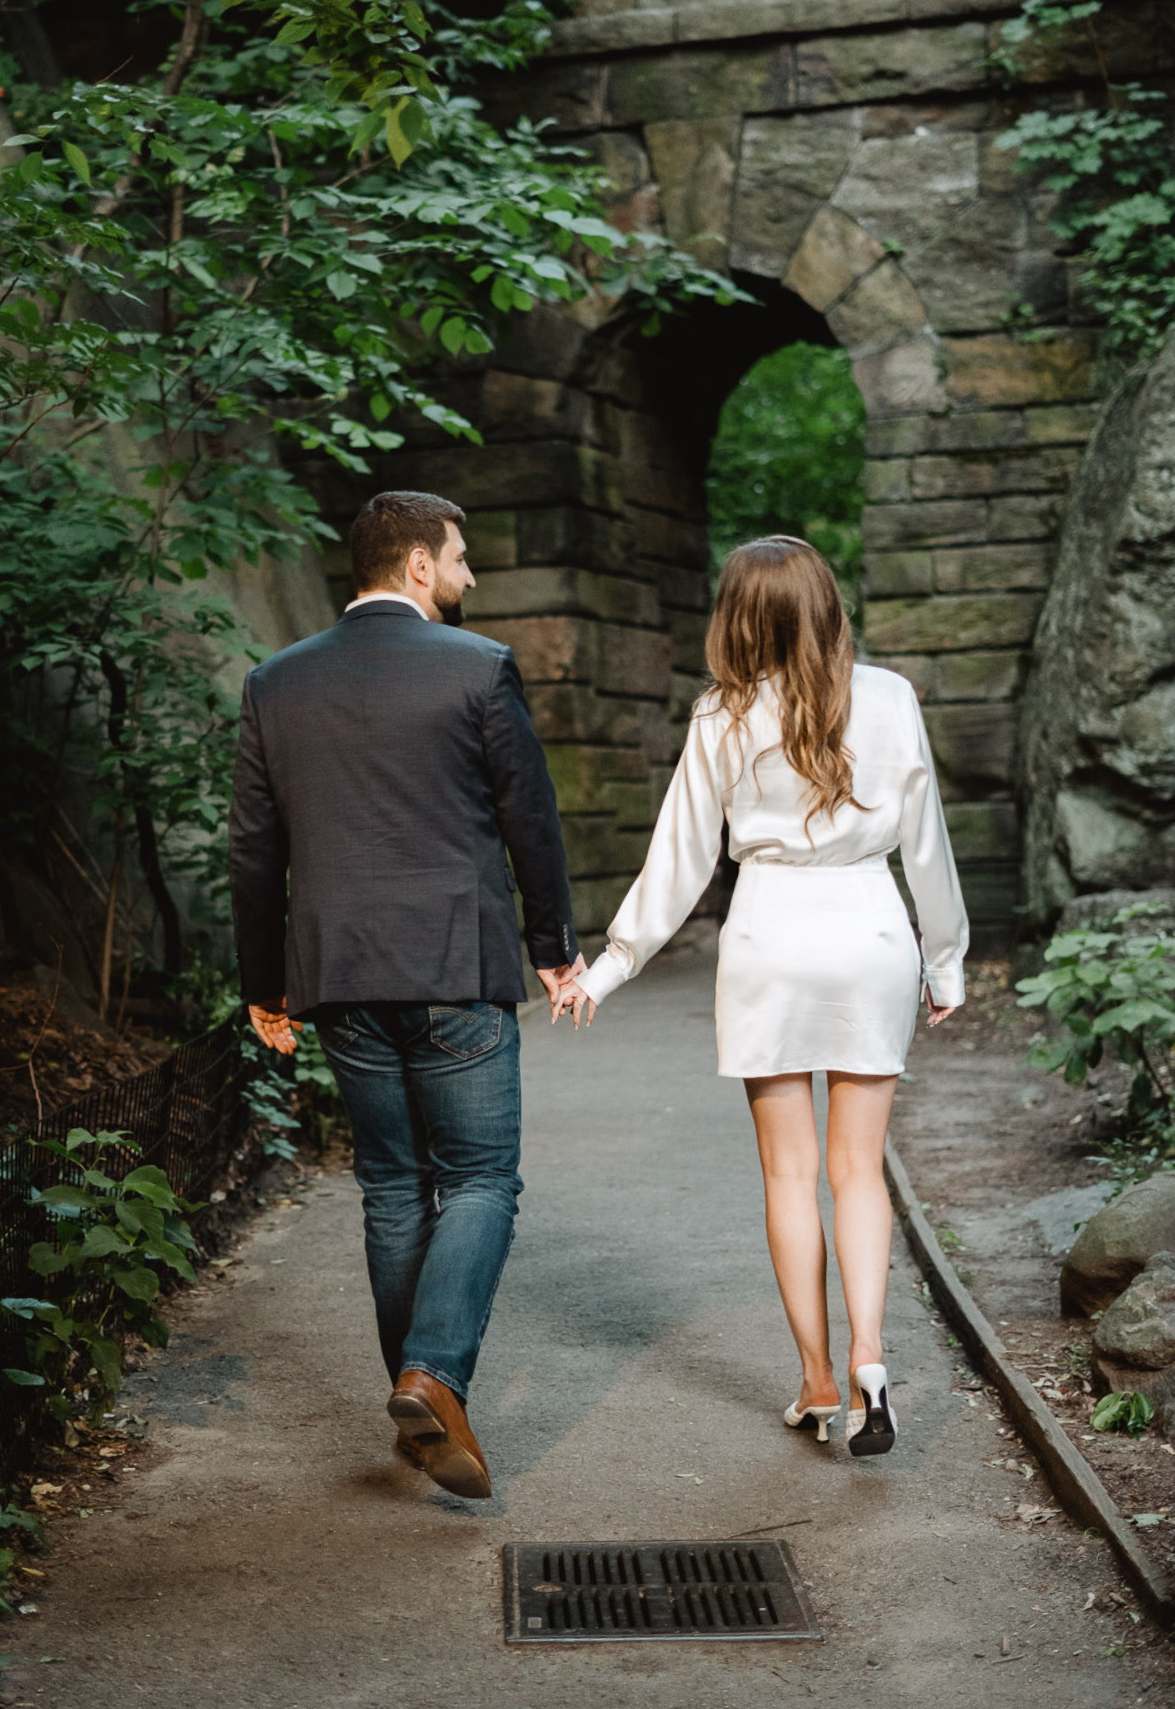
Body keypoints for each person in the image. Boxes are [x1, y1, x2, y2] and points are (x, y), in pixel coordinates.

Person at [556, 536, 967, 1457]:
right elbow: (926, 846)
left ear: (738, 616)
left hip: (769, 940)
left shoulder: (723, 713)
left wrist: (612, 964)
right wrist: (947, 963)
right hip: (870, 935)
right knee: (858, 1170)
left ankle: (818, 1379)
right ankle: (871, 1359)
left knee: (789, 1174)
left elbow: (681, 856)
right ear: (827, 605)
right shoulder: (893, 699)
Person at [229, 490, 584, 1499]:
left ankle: (422, 1398)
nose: (469, 576)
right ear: (419, 566)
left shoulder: (275, 683)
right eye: (460, 558)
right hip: (454, 967)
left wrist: (266, 986)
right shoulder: (477, 669)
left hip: (337, 975)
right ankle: (433, 1375)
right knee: (479, 1179)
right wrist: (553, 947)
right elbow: (531, 821)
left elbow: (254, 853)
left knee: (391, 1187)